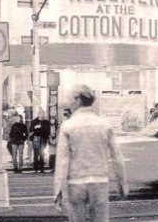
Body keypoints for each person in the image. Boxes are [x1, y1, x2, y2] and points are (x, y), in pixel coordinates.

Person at [53, 84, 128, 221]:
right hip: (100, 181)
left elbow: (62, 162)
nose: (69, 104)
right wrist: (122, 182)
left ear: (78, 100)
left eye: (70, 100)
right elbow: (117, 155)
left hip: (76, 183)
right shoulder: (104, 125)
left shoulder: (68, 126)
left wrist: (58, 192)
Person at [30, 108, 50, 173]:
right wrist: (35, 128)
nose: (41, 115)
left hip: (43, 139)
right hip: (36, 139)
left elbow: (48, 131)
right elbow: (31, 130)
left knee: (42, 154)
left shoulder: (46, 122)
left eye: (42, 113)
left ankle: (41, 168)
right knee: (35, 153)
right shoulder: (34, 121)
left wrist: (43, 129)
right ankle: (35, 168)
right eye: (40, 113)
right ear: (38, 114)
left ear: (44, 114)